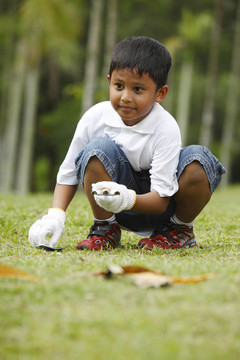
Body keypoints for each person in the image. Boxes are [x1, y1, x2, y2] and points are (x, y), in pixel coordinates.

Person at [29, 36, 226, 251]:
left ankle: (178, 231)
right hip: (113, 207)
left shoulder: (166, 127)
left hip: (162, 208)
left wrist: (127, 198)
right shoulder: (96, 117)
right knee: (97, 150)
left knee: (199, 160)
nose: (125, 97)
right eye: (119, 86)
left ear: (160, 93)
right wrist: (55, 216)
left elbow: (160, 200)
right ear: (109, 82)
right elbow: (68, 173)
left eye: (138, 89)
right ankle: (105, 228)